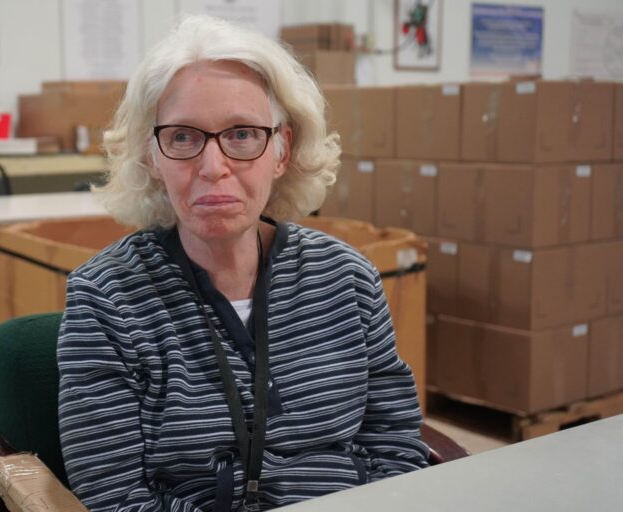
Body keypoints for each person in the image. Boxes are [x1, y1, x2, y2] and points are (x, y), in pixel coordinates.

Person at [57, 14, 429, 512]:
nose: (214, 168)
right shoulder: (106, 299)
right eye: (184, 138)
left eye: (242, 134)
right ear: (151, 156)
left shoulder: (348, 279)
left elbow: (396, 447)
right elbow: (116, 498)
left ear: (281, 150)